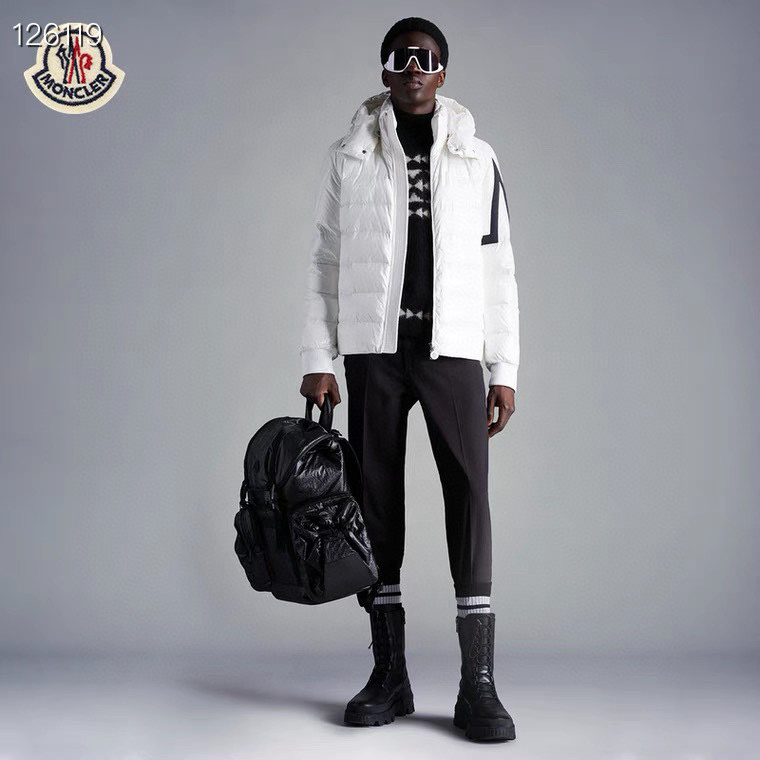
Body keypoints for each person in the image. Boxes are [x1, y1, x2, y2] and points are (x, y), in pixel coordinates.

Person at [298, 16, 519, 743]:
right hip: (374, 351)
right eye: (399, 58)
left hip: (452, 350)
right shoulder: (350, 156)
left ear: (443, 72)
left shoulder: (477, 158)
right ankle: (388, 673)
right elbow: (325, 259)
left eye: (425, 58)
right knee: (375, 500)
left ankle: (478, 685)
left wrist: (503, 367)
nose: (413, 68)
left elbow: (498, 266)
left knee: (469, 496)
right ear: (385, 71)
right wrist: (318, 357)